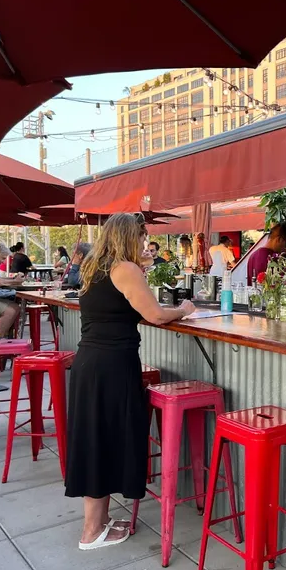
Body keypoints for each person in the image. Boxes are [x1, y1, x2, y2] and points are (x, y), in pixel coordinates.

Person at [65, 213, 195, 550]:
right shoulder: (125, 269)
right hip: (110, 365)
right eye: (140, 237)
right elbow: (154, 314)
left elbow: (124, 306)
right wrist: (183, 309)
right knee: (103, 442)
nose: (143, 242)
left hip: (91, 363)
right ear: (128, 237)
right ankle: (91, 532)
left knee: (97, 440)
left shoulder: (98, 266)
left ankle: (101, 523)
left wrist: (144, 269)